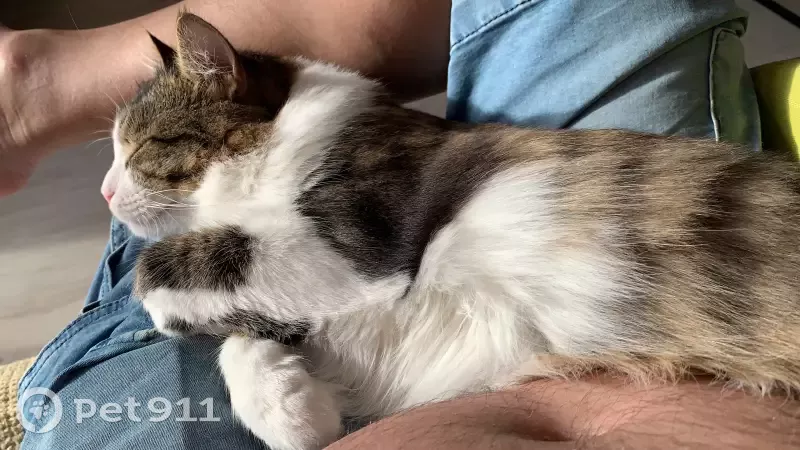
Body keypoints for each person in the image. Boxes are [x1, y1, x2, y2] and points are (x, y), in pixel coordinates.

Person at [2, 0, 797, 448]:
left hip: (260, 294)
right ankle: (44, 85)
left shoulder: (352, 178)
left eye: (132, 155)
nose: (107, 187)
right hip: (609, 303)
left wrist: (170, 279)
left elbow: (352, 266)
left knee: (155, 282)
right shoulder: (360, 174)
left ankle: (40, 86)